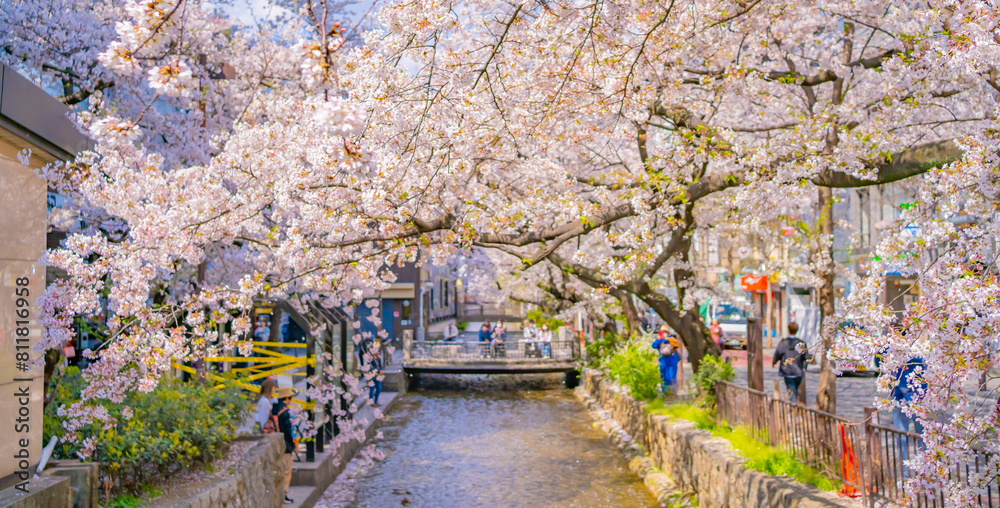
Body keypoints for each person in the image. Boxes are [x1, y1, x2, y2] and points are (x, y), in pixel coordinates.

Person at [771, 322, 812, 403]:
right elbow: (807, 357)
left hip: (787, 370)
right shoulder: (801, 343)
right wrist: (804, 367)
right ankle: (795, 406)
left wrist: (774, 362)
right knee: (794, 389)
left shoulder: (784, 342)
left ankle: (794, 407)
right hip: (798, 371)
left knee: (791, 390)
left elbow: (778, 353)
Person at [272, 386, 297, 505]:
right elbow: (290, 430)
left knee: (278, 470)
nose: (291, 400)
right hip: (286, 446)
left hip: (276, 444)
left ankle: (279, 494)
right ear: (286, 398)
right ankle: (284, 494)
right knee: (286, 471)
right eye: (290, 397)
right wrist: (294, 445)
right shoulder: (287, 412)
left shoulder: (274, 409)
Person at [652, 326, 681, 396]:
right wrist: (658, 339)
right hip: (663, 360)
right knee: (664, 376)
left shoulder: (671, 339)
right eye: (662, 332)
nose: (664, 333)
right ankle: (665, 391)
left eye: (665, 332)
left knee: (672, 376)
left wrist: (668, 339)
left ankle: (673, 391)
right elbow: (654, 346)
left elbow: (677, 344)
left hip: (672, 359)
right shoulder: (659, 340)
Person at [368, 342, 384, 406]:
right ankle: (371, 401)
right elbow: (370, 367)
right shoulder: (370, 358)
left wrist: (381, 370)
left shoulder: (378, 357)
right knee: (372, 388)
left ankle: (376, 400)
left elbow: (380, 365)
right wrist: (378, 370)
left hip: (378, 375)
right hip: (373, 375)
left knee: (379, 388)